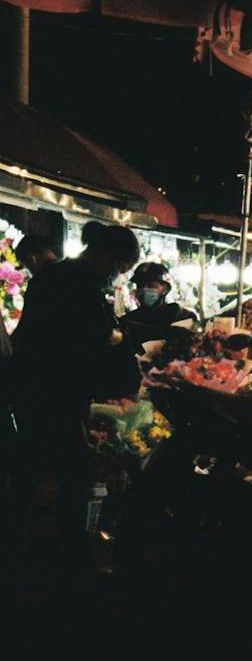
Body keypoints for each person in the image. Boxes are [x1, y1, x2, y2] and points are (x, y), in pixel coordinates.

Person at [9, 221, 142, 524]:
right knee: (72, 476)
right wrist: (122, 338)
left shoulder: (51, 275)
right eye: (122, 268)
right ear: (108, 257)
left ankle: (13, 545)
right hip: (57, 394)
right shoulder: (81, 282)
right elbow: (101, 335)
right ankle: (71, 558)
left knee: (27, 472)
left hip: (31, 390)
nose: (117, 276)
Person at [119, 262, 199, 350]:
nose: (145, 289)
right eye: (140, 285)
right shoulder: (128, 320)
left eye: (151, 285)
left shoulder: (184, 317)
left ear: (165, 289)